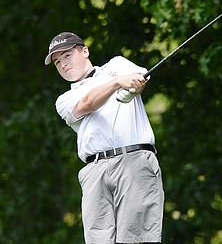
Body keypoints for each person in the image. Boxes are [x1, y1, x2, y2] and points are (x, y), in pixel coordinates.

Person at [44, 32, 164, 244]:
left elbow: (138, 81)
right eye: (57, 62)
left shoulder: (118, 64)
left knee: (137, 240)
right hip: (94, 171)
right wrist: (117, 83)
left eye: (67, 56)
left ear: (85, 51)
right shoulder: (65, 99)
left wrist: (130, 87)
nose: (63, 64)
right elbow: (87, 103)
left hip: (133, 161)